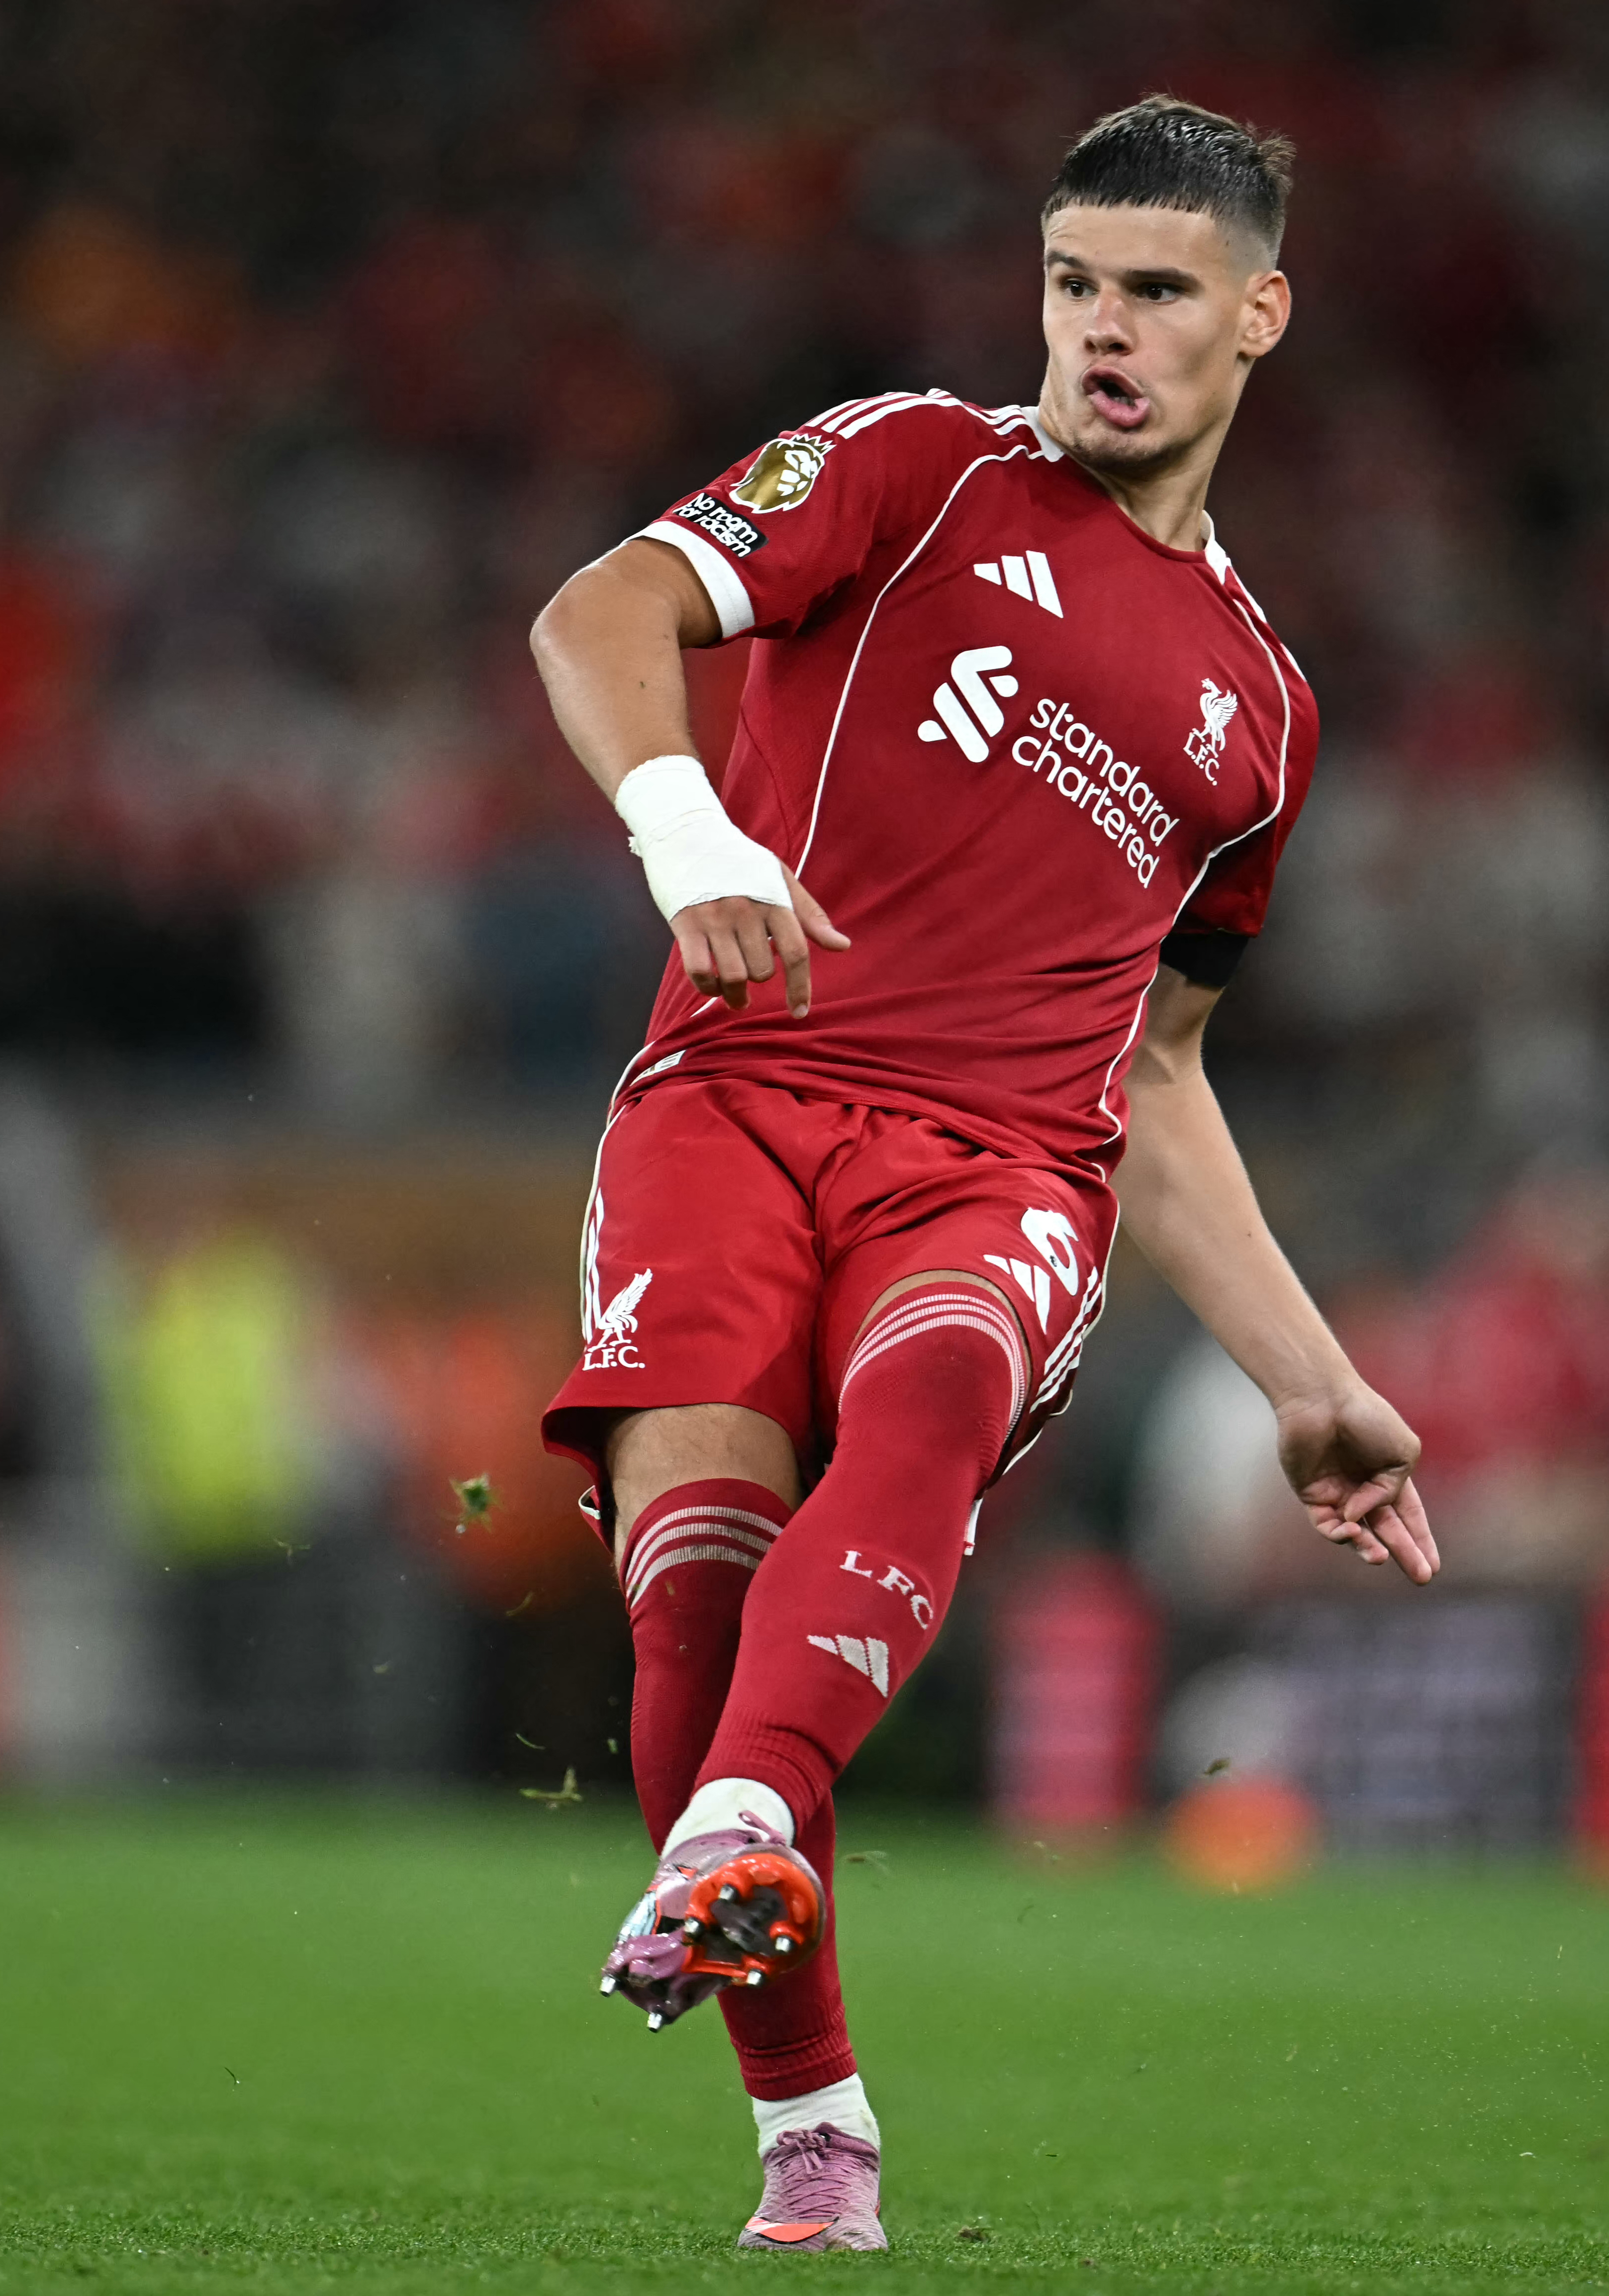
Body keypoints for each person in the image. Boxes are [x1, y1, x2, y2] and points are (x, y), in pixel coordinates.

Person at [526, 96, 1437, 2255]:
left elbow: (1159, 1072)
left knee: (935, 1380)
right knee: (694, 1593)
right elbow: (598, 610)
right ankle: (814, 2129)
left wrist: (1309, 1378)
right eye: (1072, 283)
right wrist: (690, 833)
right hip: (735, 1094)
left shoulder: (1260, 717)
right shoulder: (913, 466)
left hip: (1000, 1166)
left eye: (1158, 292)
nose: (1102, 330)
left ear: (1259, 316)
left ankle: (746, 1820)